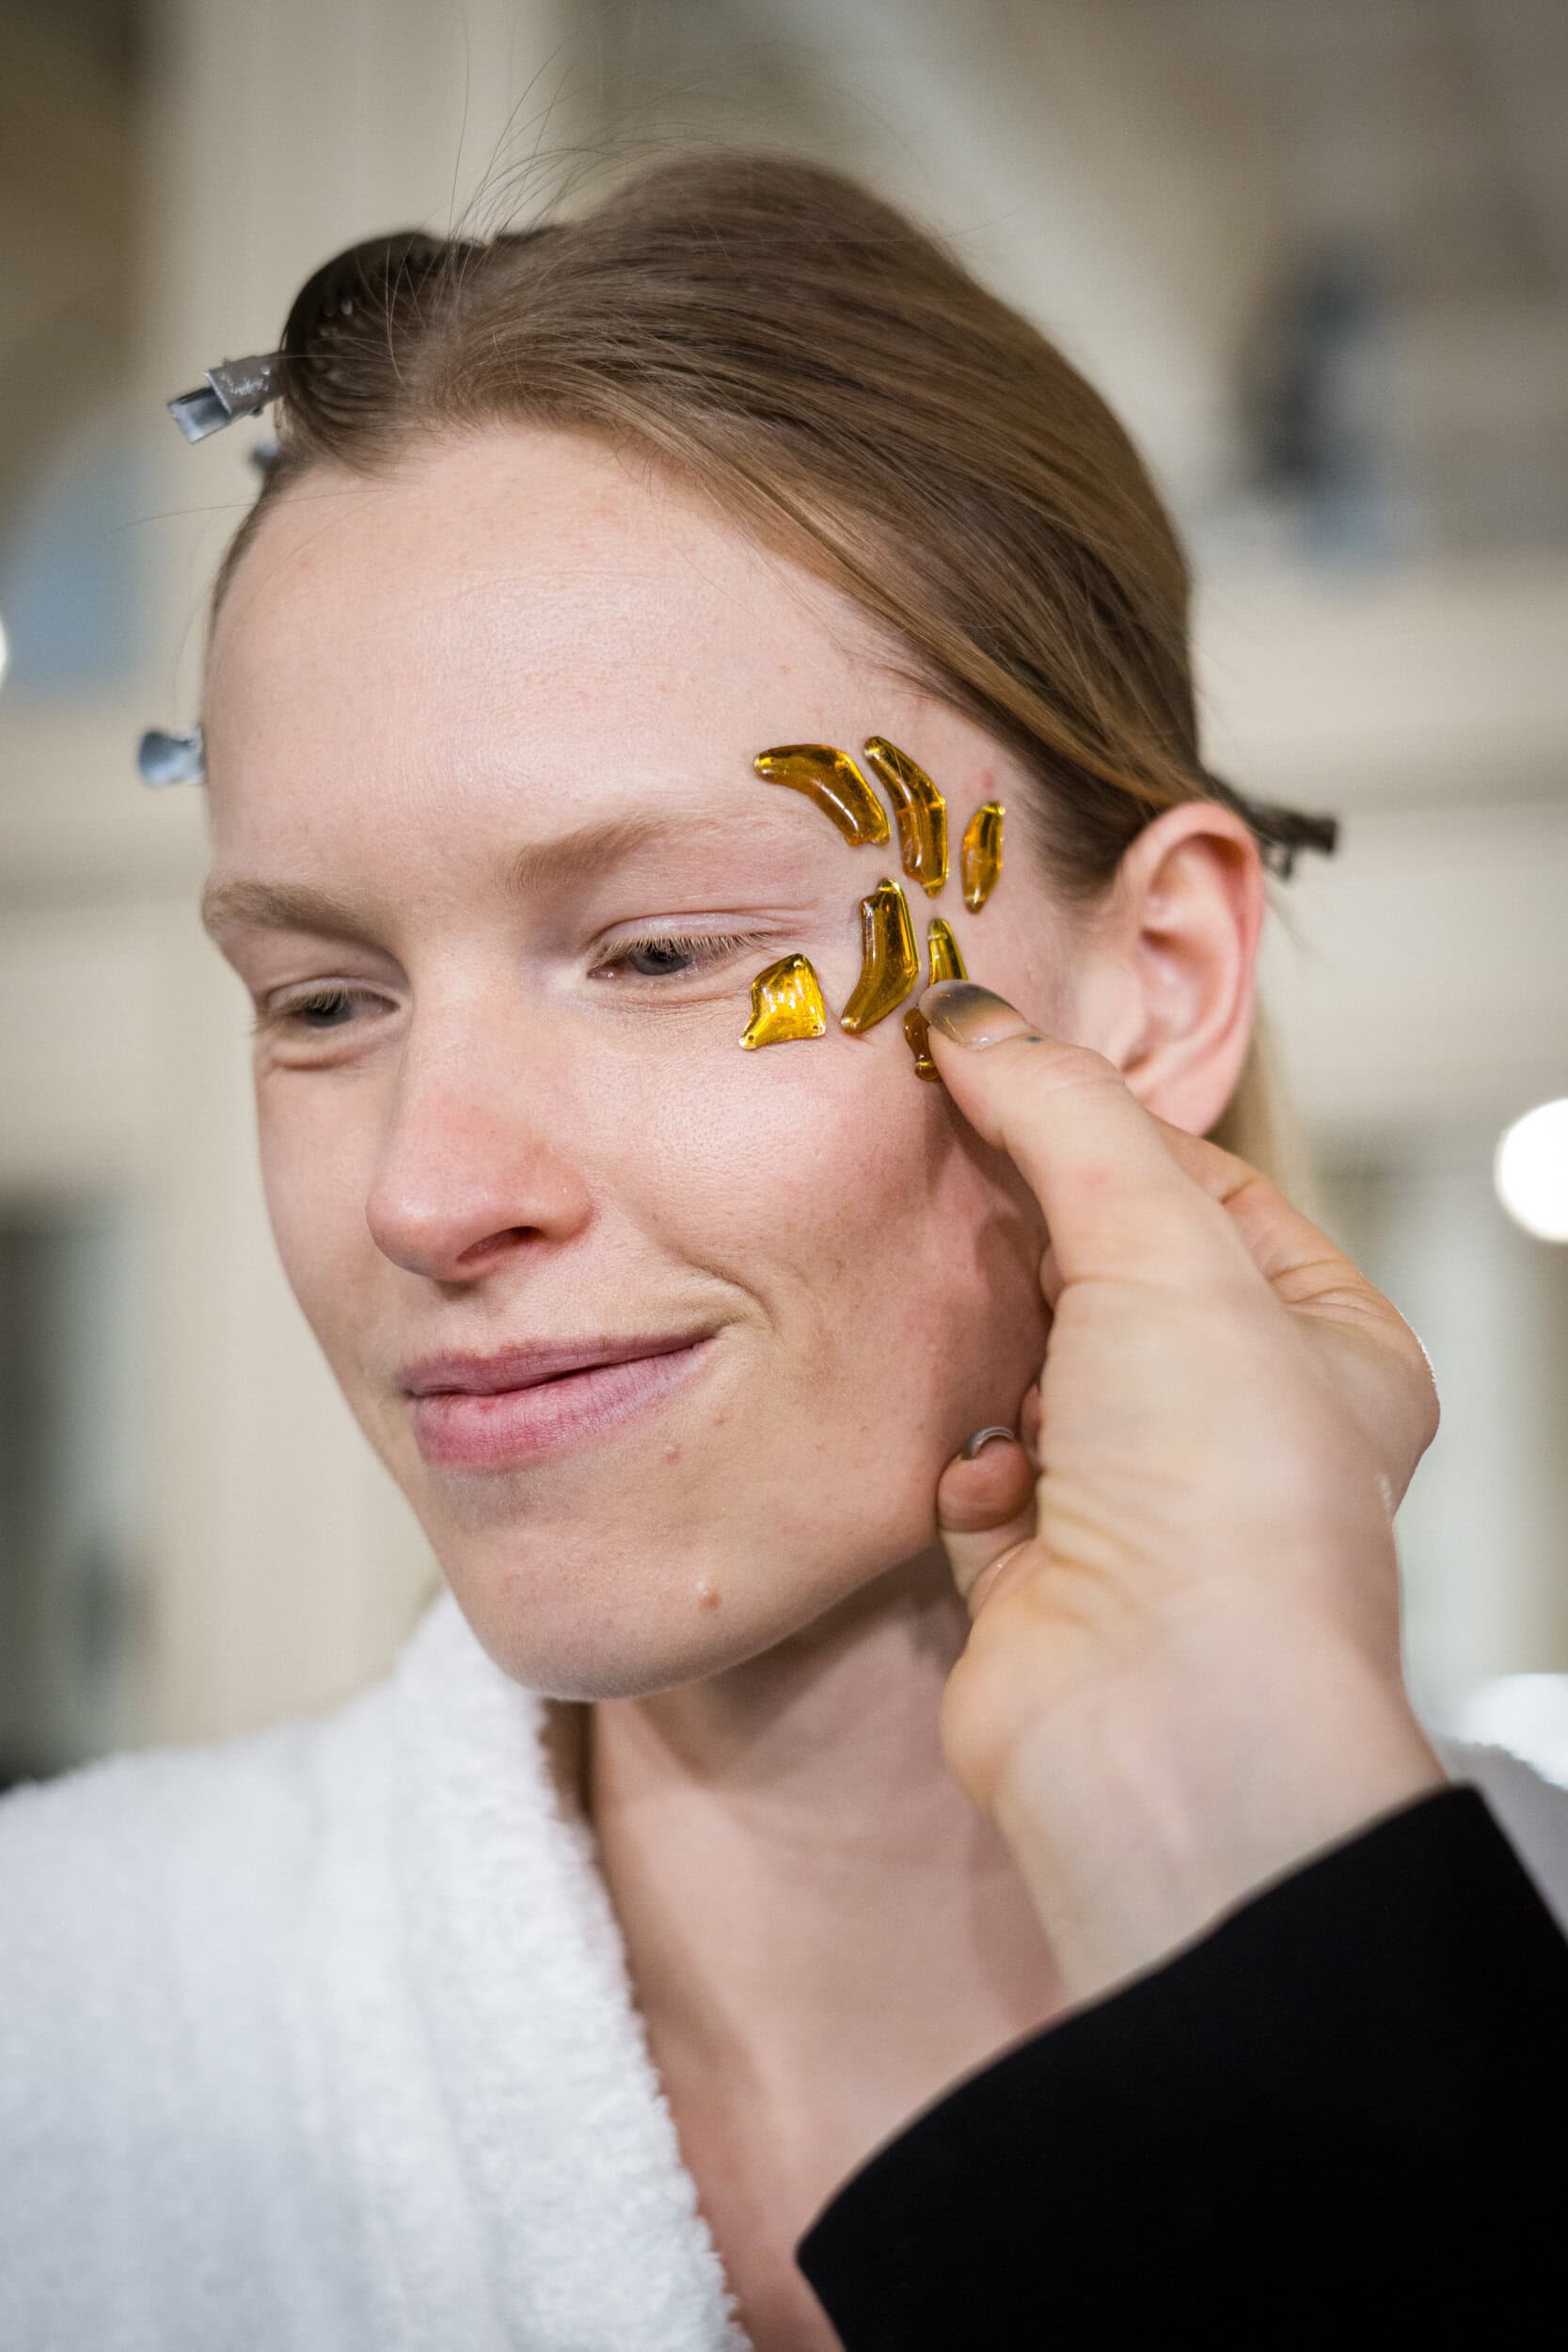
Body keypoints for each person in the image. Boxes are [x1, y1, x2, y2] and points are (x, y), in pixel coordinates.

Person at [3, 151, 1565, 2350]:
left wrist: (1251, 1849)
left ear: (1157, 980)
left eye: (656, 949)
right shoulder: (53, 2046)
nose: (424, 1193)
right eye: (325, 998)